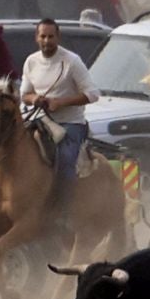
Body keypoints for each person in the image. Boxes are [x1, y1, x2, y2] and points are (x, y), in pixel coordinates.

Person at [20, 18, 102, 208]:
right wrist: (35, 100)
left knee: (64, 161)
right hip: (39, 121)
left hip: (70, 124)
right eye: (43, 36)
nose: (46, 41)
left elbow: (93, 94)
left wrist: (61, 103)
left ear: (58, 37)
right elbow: (24, 95)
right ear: (36, 38)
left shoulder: (72, 61)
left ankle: (64, 211)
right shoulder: (31, 62)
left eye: (50, 36)